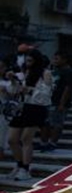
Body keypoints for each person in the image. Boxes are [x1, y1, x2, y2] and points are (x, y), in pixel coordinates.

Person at [7, 52, 51, 180]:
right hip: (21, 107)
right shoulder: (23, 73)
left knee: (26, 138)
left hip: (36, 108)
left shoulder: (45, 73)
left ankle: (25, 169)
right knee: (12, 139)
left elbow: (46, 94)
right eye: (26, 61)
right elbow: (13, 91)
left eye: (30, 61)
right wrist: (13, 81)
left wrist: (30, 90)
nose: (28, 63)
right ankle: (20, 165)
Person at [38, 51, 72, 153]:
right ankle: (43, 143)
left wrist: (62, 103)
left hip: (59, 102)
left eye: (57, 59)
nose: (54, 61)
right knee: (45, 123)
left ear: (64, 60)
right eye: (54, 58)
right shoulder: (54, 71)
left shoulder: (69, 72)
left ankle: (52, 143)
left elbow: (68, 88)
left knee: (56, 124)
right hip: (48, 100)